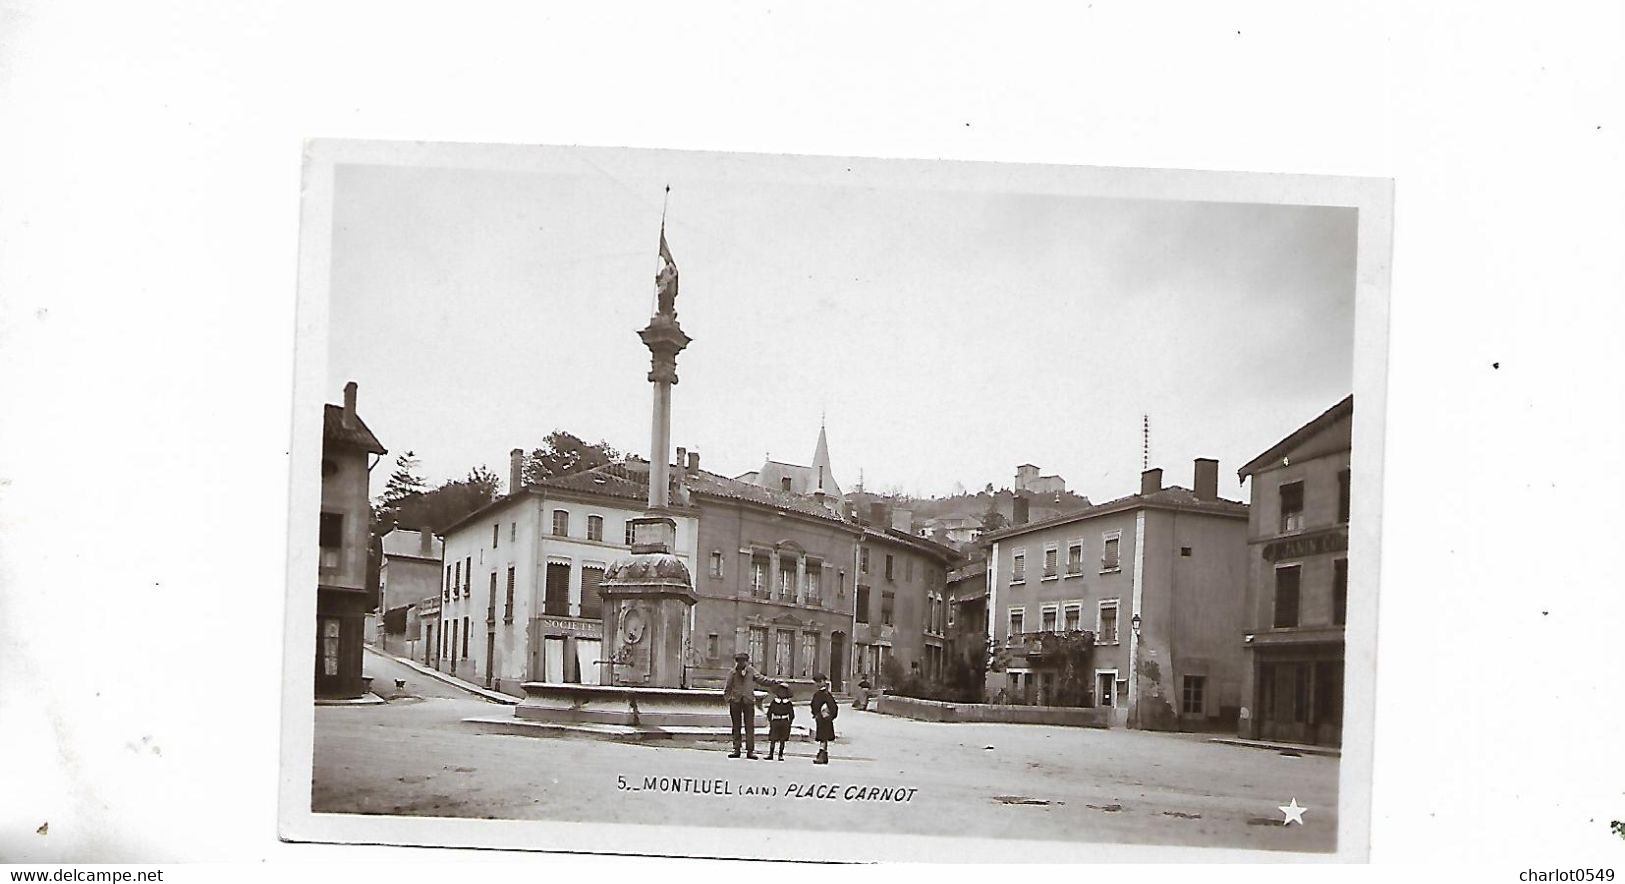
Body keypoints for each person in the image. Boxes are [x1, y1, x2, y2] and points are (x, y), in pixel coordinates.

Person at [723, 652, 779, 759]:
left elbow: (762, 679)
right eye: (739, 661)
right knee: (736, 726)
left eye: (743, 661)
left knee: (750, 727)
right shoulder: (732, 673)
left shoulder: (751, 671)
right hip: (736, 702)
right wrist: (729, 699)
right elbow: (727, 688)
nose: (741, 663)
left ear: (746, 662)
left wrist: (773, 682)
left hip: (748, 701)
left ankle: (750, 750)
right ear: (737, 662)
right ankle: (736, 749)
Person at [810, 674, 838, 764]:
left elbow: (833, 707)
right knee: (823, 737)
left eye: (819, 682)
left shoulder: (825, 694)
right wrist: (815, 714)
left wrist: (829, 715)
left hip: (825, 719)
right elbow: (814, 705)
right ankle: (824, 755)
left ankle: (822, 755)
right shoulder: (820, 694)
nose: (817, 684)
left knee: (823, 737)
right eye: (816, 682)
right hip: (821, 719)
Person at [764, 683, 795, 761]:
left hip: (784, 721)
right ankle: (771, 753)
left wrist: (789, 722)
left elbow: (791, 714)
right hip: (776, 721)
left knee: (782, 739)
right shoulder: (774, 702)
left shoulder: (788, 703)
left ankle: (780, 754)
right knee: (773, 738)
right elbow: (769, 712)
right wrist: (771, 721)